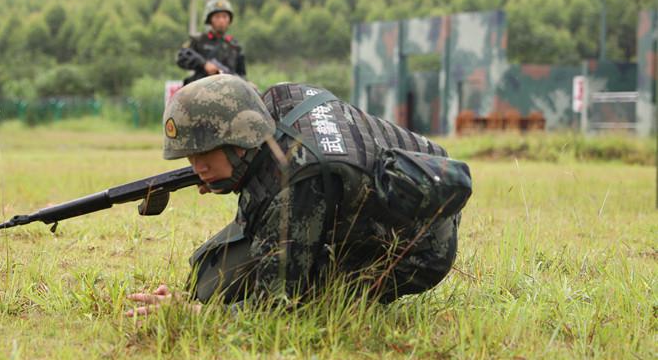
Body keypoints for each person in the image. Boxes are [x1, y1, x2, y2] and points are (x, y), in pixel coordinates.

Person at [127, 75, 470, 315]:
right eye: (190, 157)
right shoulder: (274, 102)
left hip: (421, 248)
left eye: (204, 154)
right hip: (401, 189)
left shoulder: (297, 183)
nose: (196, 166)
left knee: (243, 293)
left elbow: (275, 306)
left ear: (239, 141)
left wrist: (191, 313)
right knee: (212, 275)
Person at [176, 0, 246, 85]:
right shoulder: (199, 40)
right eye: (217, 17)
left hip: (228, 91)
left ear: (229, 20)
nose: (221, 20)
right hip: (201, 89)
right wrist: (204, 64)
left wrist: (247, 83)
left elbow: (242, 74)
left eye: (224, 16)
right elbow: (182, 56)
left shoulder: (235, 46)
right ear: (210, 20)